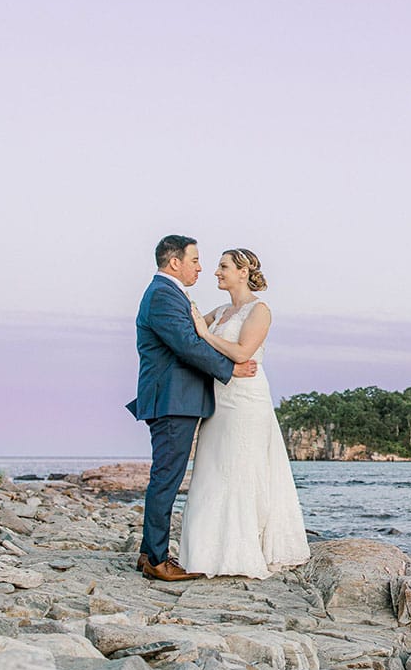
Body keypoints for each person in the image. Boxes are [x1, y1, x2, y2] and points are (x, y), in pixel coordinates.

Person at [126, 235, 258, 581]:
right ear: (175, 263)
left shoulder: (169, 294)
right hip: (172, 400)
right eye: (195, 260)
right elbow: (187, 346)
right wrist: (231, 369)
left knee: (165, 476)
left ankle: (147, 552)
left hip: (177, 399)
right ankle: (156, 559)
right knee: (166, 478)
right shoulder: (162, 296)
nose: (201, 267)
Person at [178, 248, 310, 578]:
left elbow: (242, 352)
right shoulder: (221, 311)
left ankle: (242, 551)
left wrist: (206, 334)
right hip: (218, 400)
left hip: (246, 399)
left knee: (241, 468)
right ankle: (205, 553)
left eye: (223, 267)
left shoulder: (259, 311)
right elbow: (189, 329)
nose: (216, 272)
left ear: (242, 271)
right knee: (213, 468)